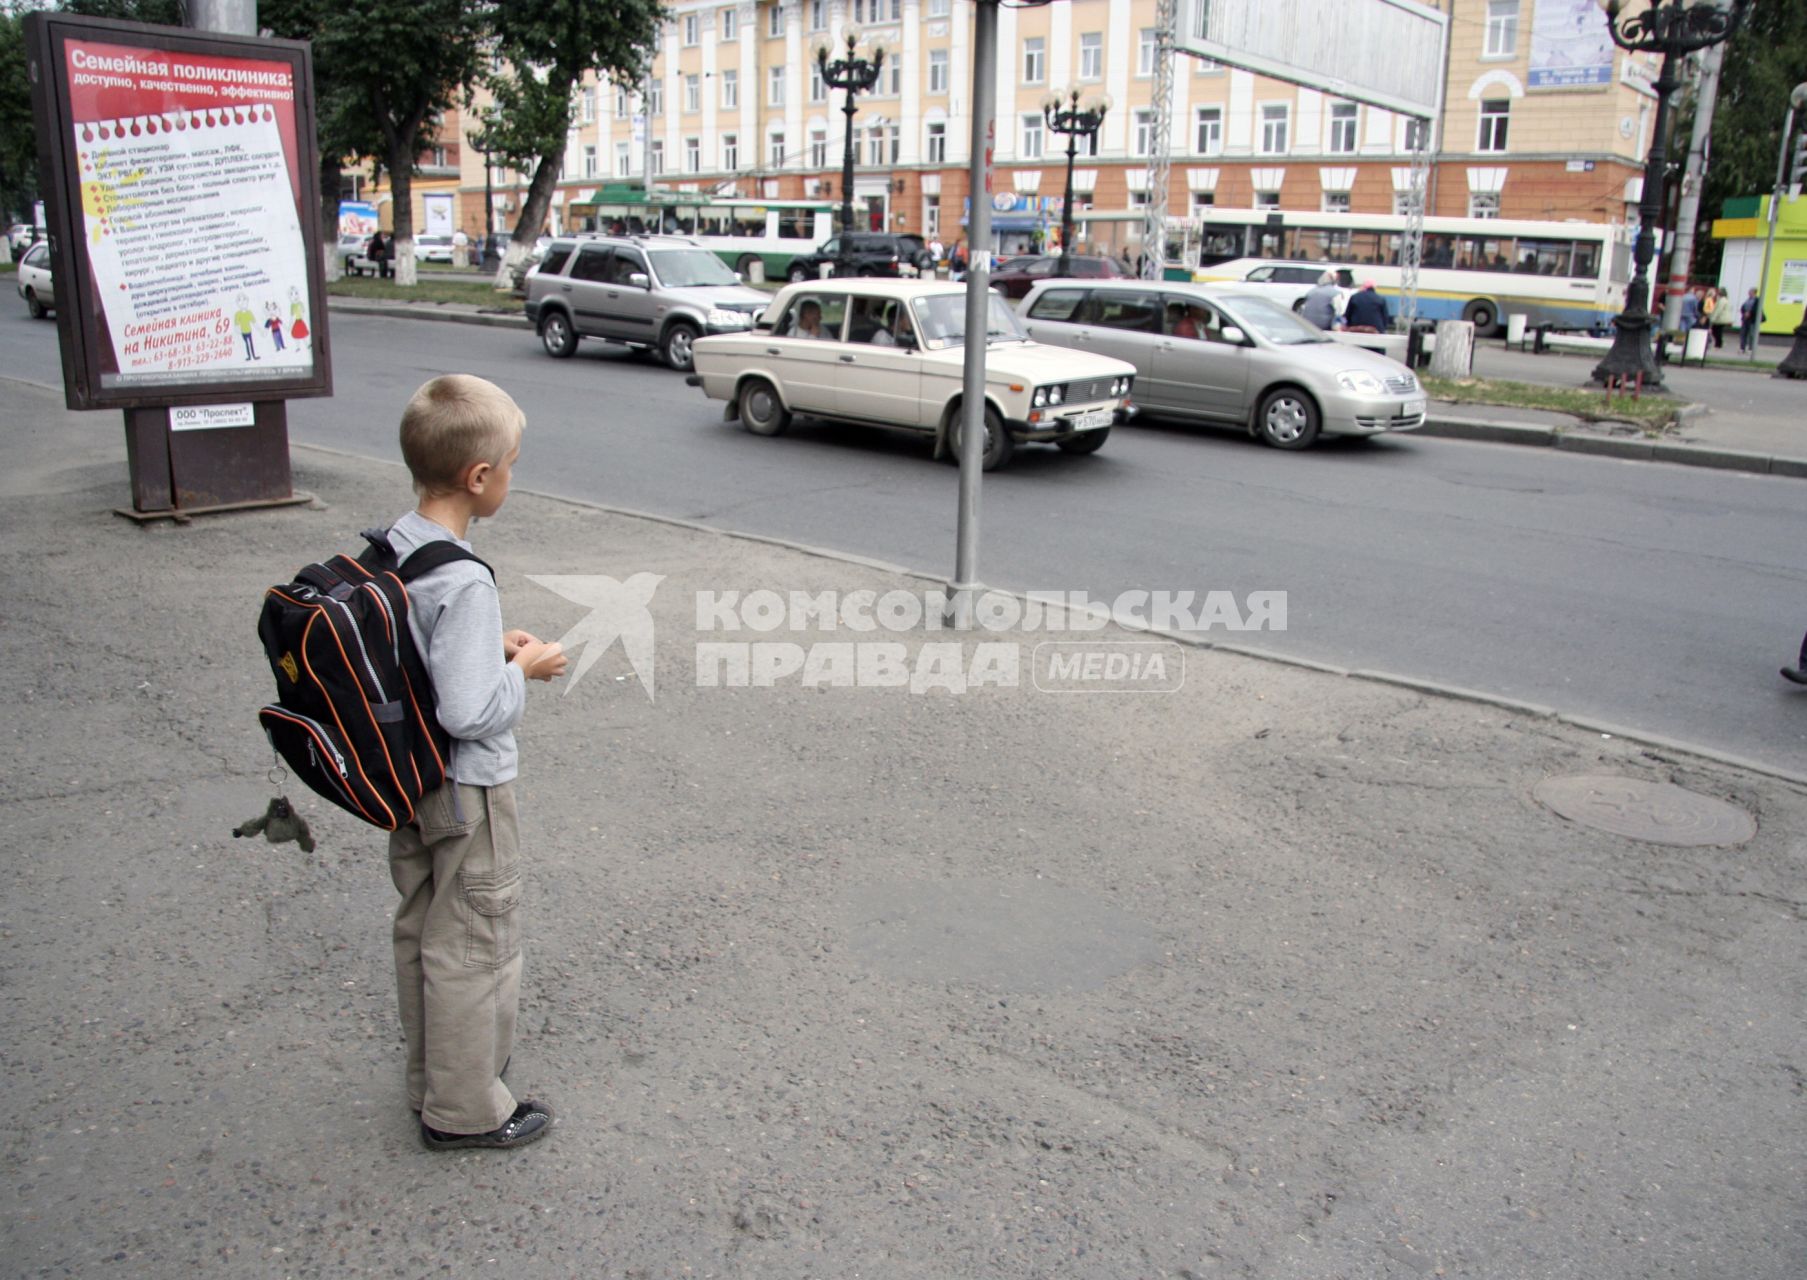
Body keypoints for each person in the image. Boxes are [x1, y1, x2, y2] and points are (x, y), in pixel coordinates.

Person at [386, 374, 568, 1151]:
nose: (512, 479)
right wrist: (521, 671)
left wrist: (484, 651)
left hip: (411, 781)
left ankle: (433, 1078)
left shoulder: (397, 543)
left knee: (425, 929)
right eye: (512, 465)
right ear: (479, 477)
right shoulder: (463, 577)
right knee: (474, 944)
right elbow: (468, 711)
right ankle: (465, 1112)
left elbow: (415, 656)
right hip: (468, 787)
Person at [1739, 287, 1763, 355]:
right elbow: (1742, 307)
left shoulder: (1757, 300)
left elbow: (1756, 309)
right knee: (1743, 333)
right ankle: (1742, 348)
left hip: (1752, 320)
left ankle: (1750, 348)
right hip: (1745, 319)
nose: (1749, 293)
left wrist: (1750, 313)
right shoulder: (1747, 300)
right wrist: (1744, 313)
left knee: (1751, 334)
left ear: (1754, 293)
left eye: (1750, 292)